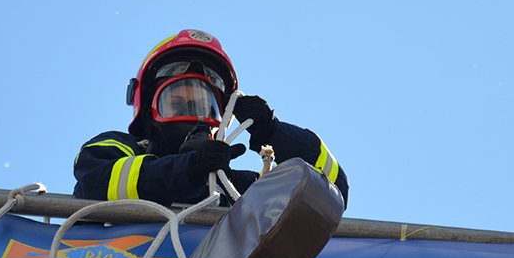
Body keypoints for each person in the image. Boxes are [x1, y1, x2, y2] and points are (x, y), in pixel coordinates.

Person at [73, 29, 348, 209]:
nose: (193, 117)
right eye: (176, 104)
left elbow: (332, 195)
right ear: (150, 114)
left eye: (205, 106)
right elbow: (92, 184)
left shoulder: (243, 190)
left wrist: (273, 134)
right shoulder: (117, 147)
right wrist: (187, 169)